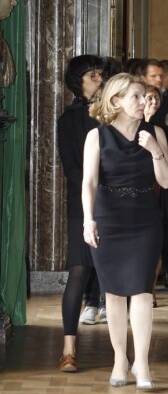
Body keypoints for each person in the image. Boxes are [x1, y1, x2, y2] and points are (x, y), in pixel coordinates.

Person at [82, 73, 168, 389]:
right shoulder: (97, 136)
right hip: (108, 219)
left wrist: (155, 151)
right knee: (114, 295)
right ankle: (120, 359)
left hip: (145, 221)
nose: (142, 102)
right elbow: (89, 183)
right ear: (116, 100)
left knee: (143, 293)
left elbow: (166, 181)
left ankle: (143, 364)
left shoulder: (154, 132)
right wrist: (87, 220)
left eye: (144, 96)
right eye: (135, 96)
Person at [57, 55, 104, 371]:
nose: (99, 79)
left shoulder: (112, 114)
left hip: (116, 203)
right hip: (83, 204)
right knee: (79, 270)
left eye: (101, 74)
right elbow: (72, 169)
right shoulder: (69, 119)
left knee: (113, 277)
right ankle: (68, 348)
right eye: (93, 74)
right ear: (79, 80)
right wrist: (93, 194)